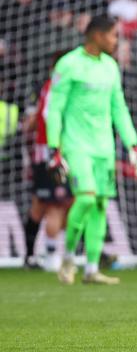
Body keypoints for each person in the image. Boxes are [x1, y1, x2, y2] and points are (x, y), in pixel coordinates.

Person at [46, 16, 137, 285]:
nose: (116, 41)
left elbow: (118, 108)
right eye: (113, 35)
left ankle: (91, 268)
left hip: (104, 148)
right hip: (77, 145)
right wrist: (55, 147)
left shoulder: (110, 67)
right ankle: (67, 257)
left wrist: (132, 143)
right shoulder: (69, 64)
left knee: (100, 204)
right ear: (98, 35)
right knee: (86, 199)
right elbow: (55, 108)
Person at [23, 50, 74, 270]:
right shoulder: (61, 89)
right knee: (57, 205)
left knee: (40, 206)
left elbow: (33, 122)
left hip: (42, 152)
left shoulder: (46, 87)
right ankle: (52, 256)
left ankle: (29, 257)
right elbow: (50, 120)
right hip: (55, 152)